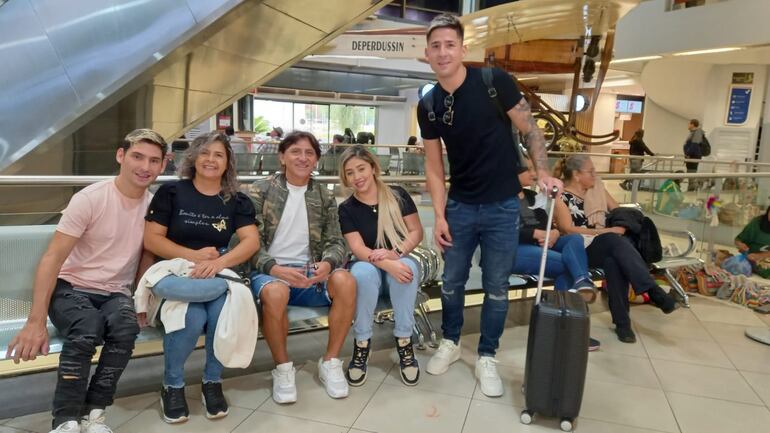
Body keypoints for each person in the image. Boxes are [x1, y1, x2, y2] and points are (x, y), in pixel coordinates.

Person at [416, 13, 561, 398]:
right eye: (436, 46)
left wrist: (542, 171)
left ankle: (487, 354)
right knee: (451, 283)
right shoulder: (428, 104)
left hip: (501, 206)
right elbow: (433, 166)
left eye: (450, 44)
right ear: (427, 54)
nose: (443, 52)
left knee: (497, 286)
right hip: (461, 207)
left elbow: (531, 128)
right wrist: (440, 216)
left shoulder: (493, 82)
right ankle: (450, 341)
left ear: (463, 49)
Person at [6, 129, 167, 433]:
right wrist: (35, 320)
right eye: (137, 156)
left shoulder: (155, 207)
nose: (145, 166)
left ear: (162, 165)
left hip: (115, 292)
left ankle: (94, 412)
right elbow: (52, 258)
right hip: (71, 288)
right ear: (121, 156)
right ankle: (65, 419)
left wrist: (140, 299)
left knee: (126, 326)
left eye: (154, 160)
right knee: (87, 327)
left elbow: (148, 255)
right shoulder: (90, 198)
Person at [143, 131, 260, 423]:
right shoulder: (171, 193)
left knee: (221, 310)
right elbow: (152, 240)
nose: (211, 159)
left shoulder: (236, 200)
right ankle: (172, 385)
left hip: (215, 271)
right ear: (193, 157)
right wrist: (194, 257)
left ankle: (212, 381)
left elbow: (251, 242)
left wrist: (218, 262)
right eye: (205, 153)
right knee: (191, 317)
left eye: (219, 155)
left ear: (227, 163)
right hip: (175, 274)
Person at [248, 131, 356, 402]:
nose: (303, 158)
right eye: (295, 151)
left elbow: (336, 240)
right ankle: (283, 368)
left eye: (310, 153)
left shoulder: (323, 194)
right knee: (276, 293)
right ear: (282, 157)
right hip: (270, 272)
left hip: (310, 271)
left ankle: (330, 362)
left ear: (317, 160)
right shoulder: (259, 190)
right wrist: (273, 268)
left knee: (345, 281)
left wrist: (328, 264)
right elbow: (247, 242)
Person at [554, 155, 677, 344]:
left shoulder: (597, 189)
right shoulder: (561, 196)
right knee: (612, 240)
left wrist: (617, 225)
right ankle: (652, 290)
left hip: (603, 245)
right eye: (591, 171)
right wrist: (606, 230)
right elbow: (567, 229)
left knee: (614, 261)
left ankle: (623, 324)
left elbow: (619, 211)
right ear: (577, 175)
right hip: (579, 249)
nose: (595, 175)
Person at [337, 146, 424, 386]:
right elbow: (358, 249)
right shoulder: (346, 208)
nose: (357, 177)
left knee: (406, 269)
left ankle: (405, 341)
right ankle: (362, 343)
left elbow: (416, 232)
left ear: (373, 168)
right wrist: (388, 264)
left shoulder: (397, 195)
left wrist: (396, 254)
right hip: (369, 264)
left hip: (398, 256)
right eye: (350, 173)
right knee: (362, 272)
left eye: (361, 169)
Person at [513, 161, 600, 351]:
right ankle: (568, 331)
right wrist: (535, 234)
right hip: (515, 249)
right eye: (528, 169)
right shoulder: (500, 198)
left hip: (541, 244)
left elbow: (546, 222)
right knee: (567, 265)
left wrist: (554, 233)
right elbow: (500, 229)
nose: (535, 173)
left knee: (574, 239)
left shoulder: (531, 196)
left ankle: (581, 281)